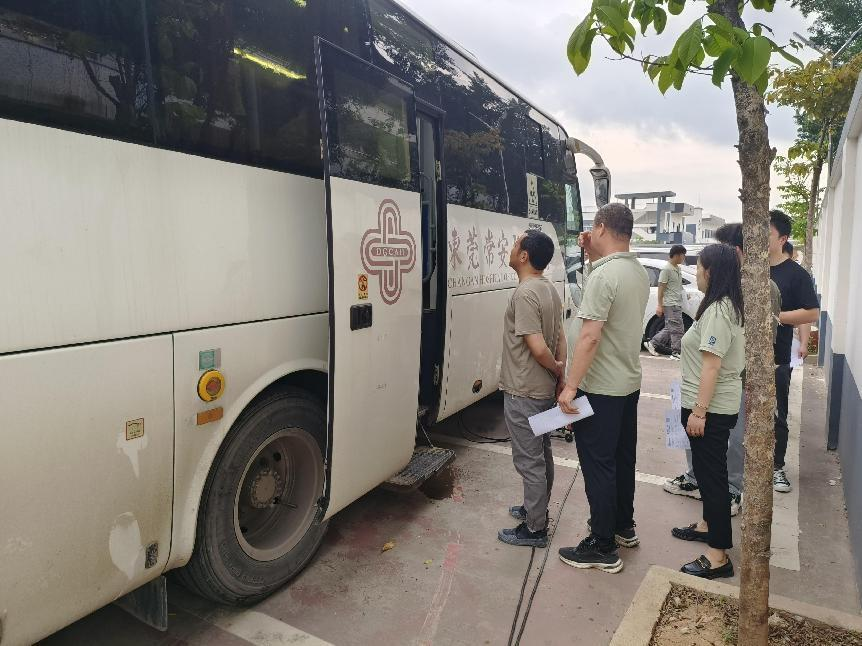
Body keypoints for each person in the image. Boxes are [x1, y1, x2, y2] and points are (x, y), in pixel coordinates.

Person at [555, 203, 649, 573]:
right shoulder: (634, 270)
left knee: (598, 464)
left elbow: (590, 336)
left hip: (600, 388)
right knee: (622, 459)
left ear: (601, 228)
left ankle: (602, 544)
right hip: (626, 383)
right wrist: (592, 255)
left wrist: (570, 386)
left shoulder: (605, 276)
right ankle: (623, 526)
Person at [663, 223, 781, 515]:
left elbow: (761, 343)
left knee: (731, 443)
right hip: (701, 379)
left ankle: (730, 491)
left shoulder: (759, 289)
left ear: (737, 251)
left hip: (732, 380)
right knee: (701, 447)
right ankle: (697, 481)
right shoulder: (716, 292)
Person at [671, 244, 745, 579]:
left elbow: (712, 367)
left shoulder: (718, 310)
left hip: (710, 409)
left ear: (710, 272)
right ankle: (706, 525)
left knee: (713, 478)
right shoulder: (723, 305)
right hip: (712, 405)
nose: (696, 273)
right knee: (706, 472)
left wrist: (699, 412)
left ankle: (718, 556)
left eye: (699, 267)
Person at [497, 229, 566, 548]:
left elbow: (538, 348)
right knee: (542, 452)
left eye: (515, 244)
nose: (511, 248)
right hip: (543, 390)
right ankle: (534, 508)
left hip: (524, 390)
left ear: (524, 256)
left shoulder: (525, 293)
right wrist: (560, 374)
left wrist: (555, 368)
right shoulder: (548, 288)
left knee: (529, 460)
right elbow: (561, 337)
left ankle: (535, 528)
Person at [769, 210, 819, 493]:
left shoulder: (797, 275)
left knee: (778, 412)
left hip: (777, 356)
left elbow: (811, 312)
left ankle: (777, 467)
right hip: (741, 355)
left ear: (782, 239)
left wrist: (776, 317)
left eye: (767, 234)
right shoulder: (748, 270)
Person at [645, 245, 687, 359]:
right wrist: (660, 305)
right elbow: (661, 288)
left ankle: (653, 343)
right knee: (677, 329)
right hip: (670, 303)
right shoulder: (666, 269)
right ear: (677, 255)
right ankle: (676, 352)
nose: (684, 258)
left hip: (676, 303)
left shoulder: (677, 268)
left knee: (670, 328)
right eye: (683, 255)